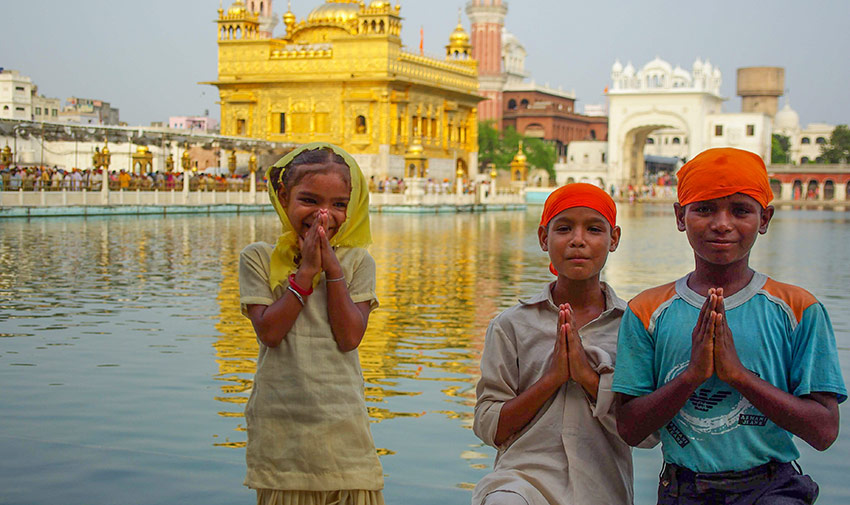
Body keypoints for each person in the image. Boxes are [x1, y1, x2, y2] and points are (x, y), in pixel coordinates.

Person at [612, 147, 846, 504]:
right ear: (680, 216)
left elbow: (825, 431)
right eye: (704, 209)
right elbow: (629, 428)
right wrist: (691, 376)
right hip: (682, 489)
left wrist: (737, 375)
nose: (722, 224)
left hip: (771, 488)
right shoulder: (647, 311)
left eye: (740, 210)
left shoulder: (798, 309)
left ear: (764, 219)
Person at [473, 183, 651, 505]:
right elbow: (489, 426)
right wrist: (552, 379)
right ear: (544, 238)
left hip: (602, 489)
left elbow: (649, 435)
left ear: (614, 239)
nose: (578, 240)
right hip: (522, 484)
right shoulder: (512, 326)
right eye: (564, 228)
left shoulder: (633, 327)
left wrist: (588, 378)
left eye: (594, 229)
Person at [239, 142, 384, 505]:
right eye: (309, 200)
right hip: (281, 421)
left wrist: (332, 269)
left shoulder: (357, 262)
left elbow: (350, 336)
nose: (324, 215)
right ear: (283, 196)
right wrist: (305, 272)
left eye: (338, 205)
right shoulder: (258, 258)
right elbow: (270, 333)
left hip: (342, 420)